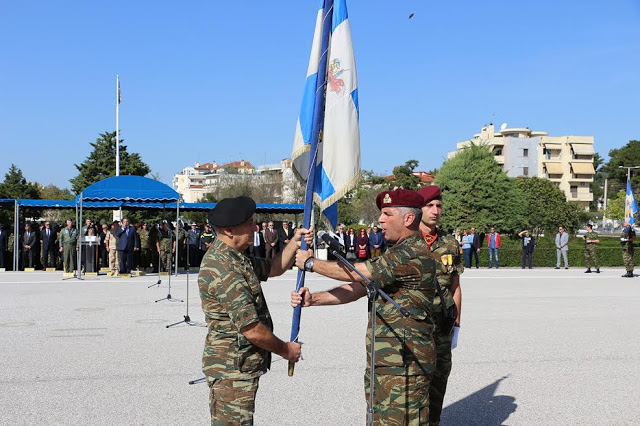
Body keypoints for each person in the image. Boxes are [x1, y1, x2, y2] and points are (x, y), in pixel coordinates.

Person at [291, 189, 438, 424]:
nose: (380, 219)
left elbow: (362, 273)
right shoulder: (396, 251)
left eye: (387, 214)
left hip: (406, 364)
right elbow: (360, 287)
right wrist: (314, 299)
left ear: (408, 219)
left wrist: (311, 263)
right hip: (386, 362)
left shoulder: (412, 253)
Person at [199, 196, 307, 424]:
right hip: (232, 369)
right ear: (229, 230)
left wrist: (295, 242)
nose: (255, 227)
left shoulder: (235, 257)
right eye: (249, 223)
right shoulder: (223, 268)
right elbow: (252, 329)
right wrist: (285, 349)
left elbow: (274, 268)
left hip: (240, 365)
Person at [417, 185, 463, 425]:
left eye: (438, 206)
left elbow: (455, 286)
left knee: (439, 381)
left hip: (442, 326)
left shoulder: (450, 244)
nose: (435, 211)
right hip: (414, 327)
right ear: (418, 209)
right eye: (429, 206)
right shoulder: (405, 241)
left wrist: (456, 325)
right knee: (414, 384)